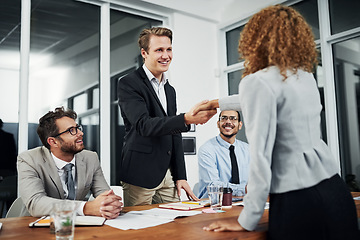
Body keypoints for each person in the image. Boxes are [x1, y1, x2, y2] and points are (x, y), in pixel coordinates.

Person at [196, 5, 360, 240]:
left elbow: (262, 159)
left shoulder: (256, 82)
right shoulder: (304, 76)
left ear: (256, 38)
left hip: (299, 202)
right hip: (335, 192)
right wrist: (217, 102)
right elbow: (270, 97)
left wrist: (247, 219)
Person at [117, 27, 216, 207]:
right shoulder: (128, 83)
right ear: (144, 53)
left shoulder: (169, 90)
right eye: (159, 50)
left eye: (168, 49)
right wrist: (185, 118)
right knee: (140, 230)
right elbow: (143, 125)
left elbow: (174, 132)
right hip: (140, 174)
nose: (166, 55)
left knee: (175, 223)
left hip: (167, 174)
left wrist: (181, 176)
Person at [18, 107, 123, 219]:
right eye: (71, 130)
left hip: (78, 226)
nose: (80, 133)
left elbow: (105, 194)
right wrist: (85, 208)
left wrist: (110, 204)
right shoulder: (29, 160)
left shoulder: (91, 158)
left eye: (78, 128)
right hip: (38, 225)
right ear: (53, 141)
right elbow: (36, 203)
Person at [197, 110, 250, 198]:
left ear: (240, 125)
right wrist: (243, 189)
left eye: (233, 119)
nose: (228, 122)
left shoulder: (248, 149)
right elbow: (213, 185)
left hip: (243, 202)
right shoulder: (207, 149)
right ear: (218, 124)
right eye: (224, 118)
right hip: (214, 204)